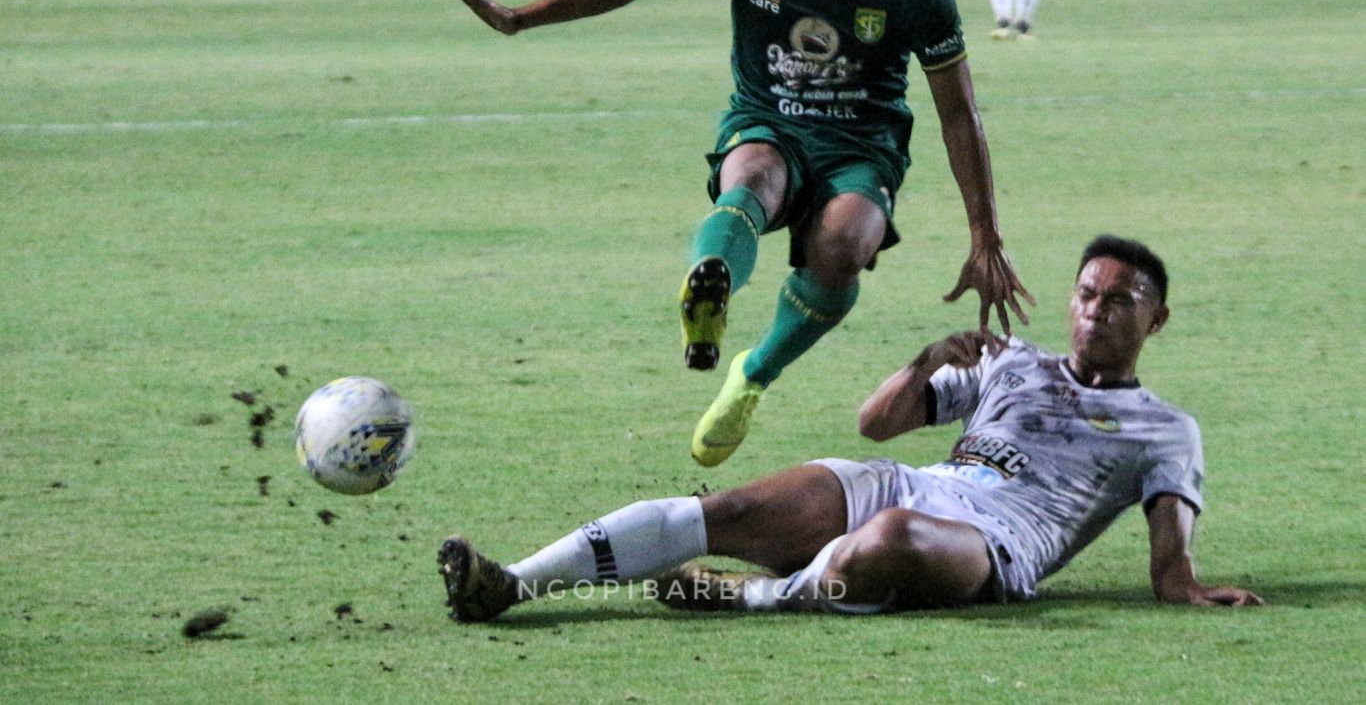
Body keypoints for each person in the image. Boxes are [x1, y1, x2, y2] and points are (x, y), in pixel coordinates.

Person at [445, 0, 1032, 468]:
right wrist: (520, 18)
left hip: (861, 147)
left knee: (843, 245)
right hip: (769, 124)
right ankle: (713, 283)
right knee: (750, 176)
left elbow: (959, 113)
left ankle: (752, 374)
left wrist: (986, 235)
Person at [437, 235, 1263, 621]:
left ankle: (756, 597)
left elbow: (1170, 566)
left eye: (1120, 300)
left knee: (895, 536)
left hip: (1000, 544)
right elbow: (877, 425)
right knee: (725, 512)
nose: (1095, 311)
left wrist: (1193, 588)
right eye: (1088, 292)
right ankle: (514, 582)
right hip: (917, 483)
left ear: (1156, 321)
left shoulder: (1164, 430)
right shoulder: (1013, 361)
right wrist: (926, 358)